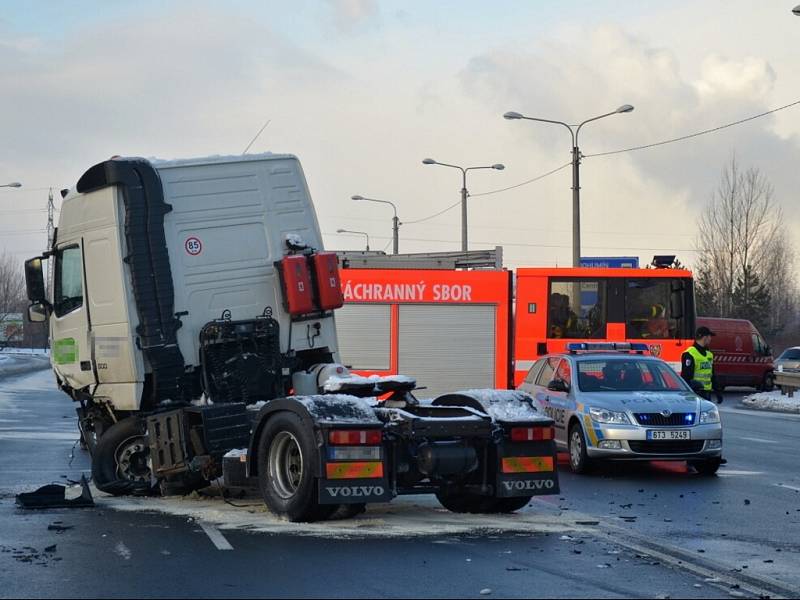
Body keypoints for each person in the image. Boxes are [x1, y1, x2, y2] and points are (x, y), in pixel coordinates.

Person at [681, 326, 723, 404]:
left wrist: (718, 392)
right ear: (705, 337)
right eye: (709, 336)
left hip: (707, 393)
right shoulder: (690, 354)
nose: (711, 339)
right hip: (695, 394)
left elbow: (712, 375)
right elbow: (686, 377)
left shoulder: (709, 354)